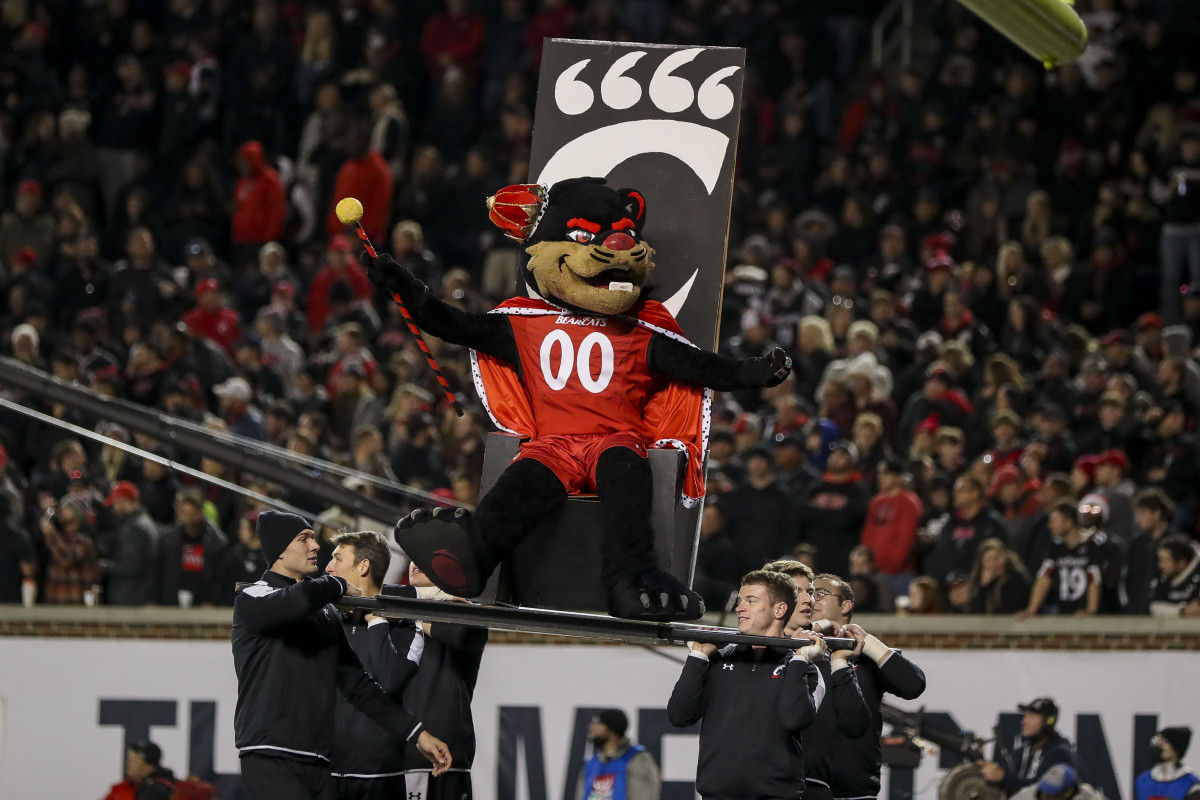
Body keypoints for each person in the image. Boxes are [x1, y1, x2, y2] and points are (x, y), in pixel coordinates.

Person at [232, 510, 451, 800]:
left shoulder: (324, 613)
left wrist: (417, 733)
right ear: (279, 551)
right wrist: (335, 585)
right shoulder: (254, 597)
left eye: (312, 537)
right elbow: (294, 601)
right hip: (272, 753)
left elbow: (358, 686)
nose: (315, 546)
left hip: (320, 760)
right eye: (303, 539)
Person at [667, 569, 826, 800]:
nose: (739, 608)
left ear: (779, 610)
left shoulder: (803, 667)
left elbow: (794, 718)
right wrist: (698, 657)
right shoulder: (719, 660)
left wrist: (800, 659)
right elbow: (679, 715)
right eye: (740, 601)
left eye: (751, 601)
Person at [808, 573, 927, 800]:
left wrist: (869, 642)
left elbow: (913, 685)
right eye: (809, 594)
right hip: (805, 788)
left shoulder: (867, 655)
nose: (813, 599)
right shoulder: (799, 650)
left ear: (846, 606)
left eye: (821, 593)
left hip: (857, 790)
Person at [324, 530, 424, 800]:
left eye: (337, 559)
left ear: (363, 566)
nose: (328, 567)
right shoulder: (326, 618)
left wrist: (377, 621)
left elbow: (390, 680)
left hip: (379, 774)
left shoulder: (404, 624)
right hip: (324, 772)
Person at [766, 560, 870, 800]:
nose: (808, 600)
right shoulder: (752, 653)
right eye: (797, 591)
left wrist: (840, 663)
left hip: (815, 788)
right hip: (764, 787)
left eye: (810, 592)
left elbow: (856, 726)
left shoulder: (826, 654)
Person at [398, 561, 489, 800]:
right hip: (396, 753)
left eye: (425, 558)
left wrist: (409, 609)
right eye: (412, 556)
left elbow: (458, 635)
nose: (415, 563)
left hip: (444, 752)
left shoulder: (466, 612)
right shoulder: (396, 611)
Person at [979, 698, 1074, 796]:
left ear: (1049, 721)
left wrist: (1003, 778)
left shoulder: (1059, 753)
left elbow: (1041, 791)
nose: (1024, 721)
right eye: (1025, 716)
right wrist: (985, 766)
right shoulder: (1023, 751)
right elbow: (1007, 773)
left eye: (1031, 716)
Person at [1023, 501, 1101, 616]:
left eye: (1054, 521)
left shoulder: (1092, 546)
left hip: (1086, 619)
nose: (1050, 525)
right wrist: (1031, 610)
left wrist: (1090, 611)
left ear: (1068, 522)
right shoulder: (1055, 548)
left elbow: (1094, 579)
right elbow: (1044, 578)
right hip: (1063, 613)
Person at [578, 709, 662, 800]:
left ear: (612, 730)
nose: (591, 727)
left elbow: (645, 796)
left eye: (598, 722)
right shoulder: (591, 763)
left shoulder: (637, 759)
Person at [99, 481, 159, 606]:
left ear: (124, 501)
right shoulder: (145, 522)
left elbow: (129, 565)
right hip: (137, 594)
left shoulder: (135, 527)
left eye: (115, 503)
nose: (114, 508)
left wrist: (105, 567)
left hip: (130, 596)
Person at [1135, 727, 1200, 800]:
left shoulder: (1190, 784)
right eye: (1157, 740)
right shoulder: (1143, 781)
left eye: (1165, 741)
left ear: (1177, 749)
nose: (1158, 745)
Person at [101, 739, 177, 800]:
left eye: (134, 760)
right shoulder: (120, 789)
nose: (129, 764)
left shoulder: (161, 790)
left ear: (148, 765)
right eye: (128, 759)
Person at [1149, 535, 1200, 618]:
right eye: (1160, 560)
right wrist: (1182, 611)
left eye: (1166, 561)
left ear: (1181, 563)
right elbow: (1154, 607)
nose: (1161, 565)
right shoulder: (1162, 578)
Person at [1011, 764, 1104, 800]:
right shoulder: (1027, 795)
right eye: (1044, 793)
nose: (1045, 797)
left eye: (1051, 795)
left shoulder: (1089, 797)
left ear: (1068, 793)